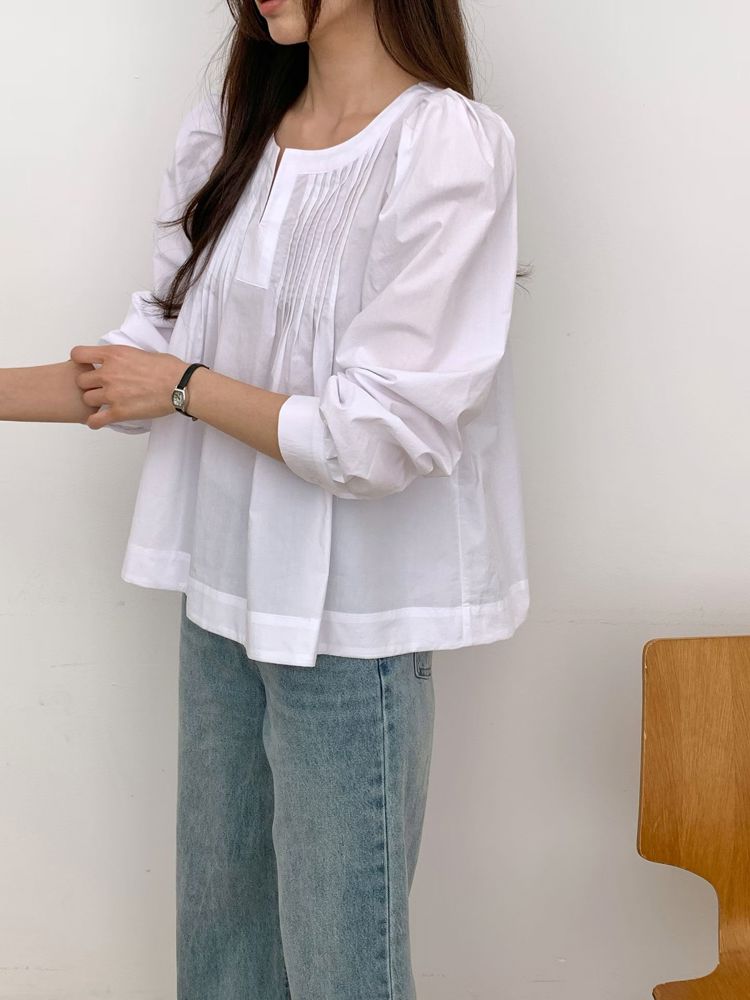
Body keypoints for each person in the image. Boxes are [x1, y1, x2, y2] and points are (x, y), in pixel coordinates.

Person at [0, 0, 531, 996]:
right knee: (221, 968)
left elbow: (379, 434)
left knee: (341, 974)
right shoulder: (230, 131)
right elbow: (138, 363)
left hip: (352, 634)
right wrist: (160, 382)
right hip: (222, 604)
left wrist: (187, 389)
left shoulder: (445, 148)